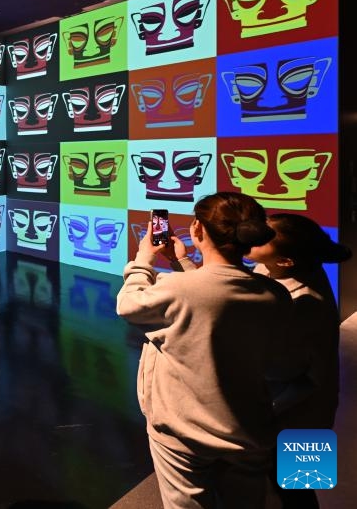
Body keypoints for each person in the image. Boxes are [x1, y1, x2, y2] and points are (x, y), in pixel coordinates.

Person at [116, 192, 292, 509]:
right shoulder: (275, 293)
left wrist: (144, 260)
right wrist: (180, 261)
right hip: (248, 431)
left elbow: (129, 305)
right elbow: (209, 294)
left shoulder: (175, 288)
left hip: (182, 433)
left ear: (197, 230)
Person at [247, 213, 351, 508]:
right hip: (283, 410)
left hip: (304, 416)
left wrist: (264, 411)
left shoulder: (307, 303)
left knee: (299, 489)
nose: (250, 235)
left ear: (285, 261)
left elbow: (306, 377)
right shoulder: (276, 270)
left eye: (262, 236)